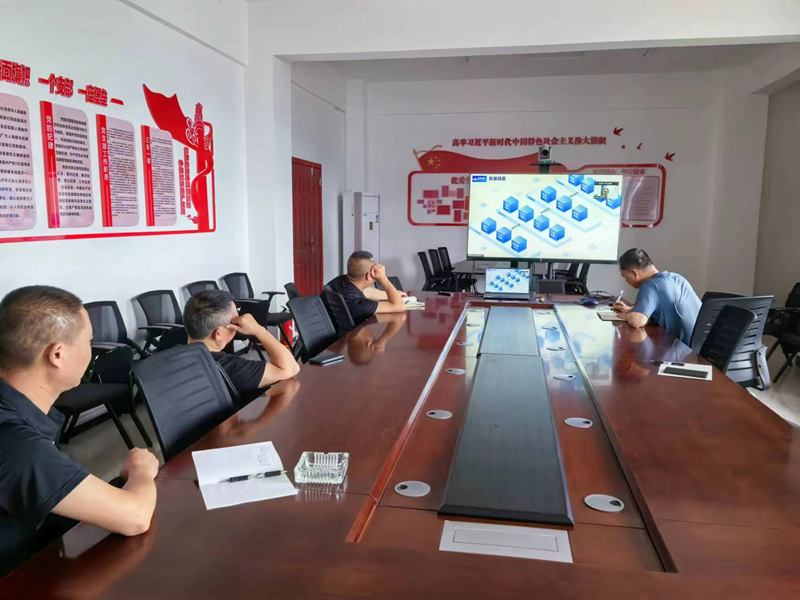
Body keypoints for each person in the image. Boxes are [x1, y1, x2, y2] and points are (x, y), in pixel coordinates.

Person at [0, 286, 159, 576]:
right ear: (57, 355)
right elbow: (135, 516)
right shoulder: (15, 443)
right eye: (88, 341)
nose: (92, 350)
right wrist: (142, 470)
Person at [183, 289, 300, 397]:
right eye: (235, 321)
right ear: (218, 333)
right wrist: (259, 330)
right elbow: (290, 368)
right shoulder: (231, 368)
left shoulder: (173, 355)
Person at [612, 248, 701, 346]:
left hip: (679, 348)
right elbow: (664, 306)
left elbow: (637, 321)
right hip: (696, 346)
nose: (626, 280)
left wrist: (627, 316)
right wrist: (631, 309)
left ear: (634, 273)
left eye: (625, 276)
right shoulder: (677, 278)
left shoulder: (650, 285)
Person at [323, 251, 406, 326]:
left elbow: (366, 291)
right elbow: (399, 306)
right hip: (350, 336)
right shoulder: (359, 303)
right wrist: (383, 277)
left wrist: (390, 295)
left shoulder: (340, 280)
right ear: (369, 275)